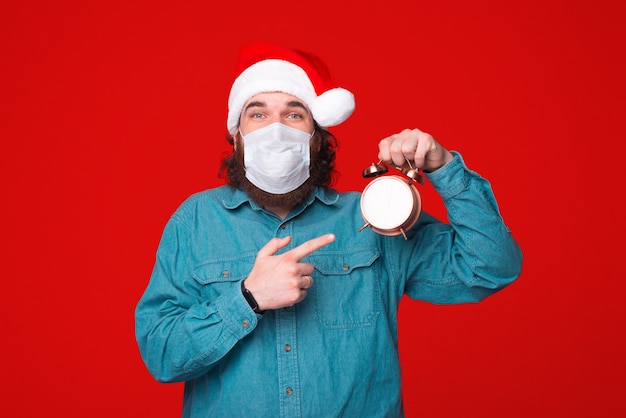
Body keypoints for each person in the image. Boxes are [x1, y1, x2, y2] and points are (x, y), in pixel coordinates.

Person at [135, 42, 523, 417]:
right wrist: (247, 298)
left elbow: (488, 268)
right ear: (237, 138)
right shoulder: (195, 221)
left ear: (318, 139)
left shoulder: (371, 217)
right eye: (257, 114)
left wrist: (443, 166)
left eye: (293, 114)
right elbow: (161, 354)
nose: (275, 130)